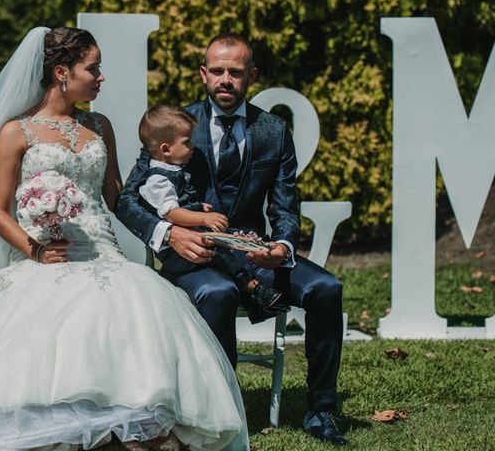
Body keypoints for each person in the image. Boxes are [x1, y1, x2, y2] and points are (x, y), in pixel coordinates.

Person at [0, 27, 249, 451]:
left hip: (105, 255)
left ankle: (132, 427)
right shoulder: (15, 132)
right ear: (62, 72)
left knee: (134, 311)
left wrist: (174, 223)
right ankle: (69, 428)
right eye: (93, 68)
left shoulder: (100, 125)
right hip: (43, 256)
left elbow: (118, 197)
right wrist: (37, 249)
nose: (101, 77)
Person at [116, 33, 348, 446]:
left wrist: (283, 246)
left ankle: (321, 412)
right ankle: (221, 412)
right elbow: (128, 198)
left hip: (253, 250)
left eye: (235, 72)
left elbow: (284, 207)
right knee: (218, 294)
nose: (226, 79)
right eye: (218, 71)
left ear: (251, 75)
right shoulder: (175, 125)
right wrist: (170, 232)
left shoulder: (274, 130)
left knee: (327, 287)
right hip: (195, 256)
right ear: (204, 74)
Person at [137, 103, 289, 311]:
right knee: (223, 253)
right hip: (182, 252)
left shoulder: (173, 170)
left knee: (228, 242)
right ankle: (253, 288)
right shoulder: (158, 180)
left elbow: (179, 202)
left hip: (198, 238)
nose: (192, 146)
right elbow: (171, 212)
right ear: (166, 149)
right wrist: (202, 218)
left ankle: (255, 260)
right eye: (187, 142)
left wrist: (200, 206)